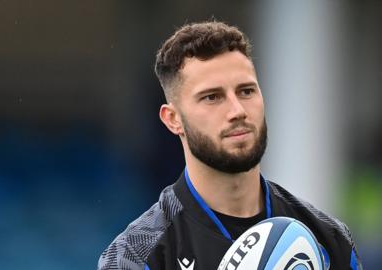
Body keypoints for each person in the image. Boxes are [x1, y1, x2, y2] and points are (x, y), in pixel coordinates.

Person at [98, 20, 362, 270]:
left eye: (246, 91)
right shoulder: (136, 256)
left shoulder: (328, 238)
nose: (237, 110)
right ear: (173, 119)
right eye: (212, 97)